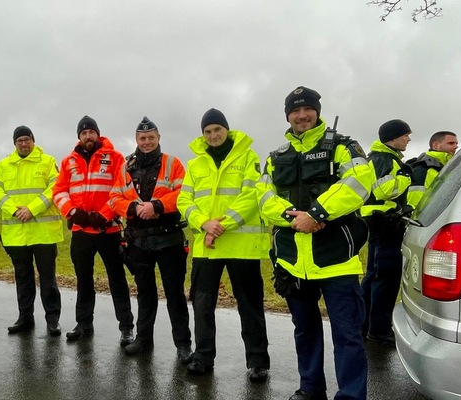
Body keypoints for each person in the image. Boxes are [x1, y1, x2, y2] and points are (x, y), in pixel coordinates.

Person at [256, 86, 374, 400]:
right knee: (305, 330)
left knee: (347, 335)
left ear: (317, 112)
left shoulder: (343, 147)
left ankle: (350, 395)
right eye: (295, 110)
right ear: (287, 116)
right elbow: (263, 197)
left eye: (307, 109)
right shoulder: (275, 157)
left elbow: (360, 182)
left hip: (336, 261)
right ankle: (310, 388)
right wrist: (293, 218)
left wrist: (317, 213)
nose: (301, 115)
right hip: (293, 262)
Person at [176, 109, 271, 380]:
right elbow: (184, 200)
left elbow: (251, 197)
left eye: (217, 129)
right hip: (207, 246)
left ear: (226, 130)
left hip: (241, 245)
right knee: (202, 304)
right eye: (207, 131)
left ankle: (258, 361)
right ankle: (203, 356)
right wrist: (204, 223)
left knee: (250, 305)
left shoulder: (248, 157)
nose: (213, 135)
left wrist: (221, 225)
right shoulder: (196, 164)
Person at [109, 117, 192, 361]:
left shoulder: (173, 163)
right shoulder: (126, 167)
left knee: (174, 294)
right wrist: (134, 208)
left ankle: (183, 345)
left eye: (151, 138)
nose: (147, 142)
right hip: (138, 241)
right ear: (136, 140)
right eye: (142, 138)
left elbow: (183, 194)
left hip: (168, 239)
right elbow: (114, 198)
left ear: (158, 138)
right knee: (145, 294)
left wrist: (156, 206)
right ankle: (144, 339)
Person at [53, 115, 135, 345]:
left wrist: (104, 215)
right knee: (83, 280)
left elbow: (123, 190)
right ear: (78, 136)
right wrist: (72, 212)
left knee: (117, 280)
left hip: (108, 231)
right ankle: (83, 323)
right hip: (81, 232)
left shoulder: (115, 158)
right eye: (83, 133)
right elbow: (59, 191)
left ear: (98, 134)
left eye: (91, 132)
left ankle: (126, 327)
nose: (88, 136)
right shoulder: (68, 161)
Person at [0, 126, 63, 336]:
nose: (23, 143)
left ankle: (52, 319)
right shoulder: (3, 165)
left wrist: (32, 209)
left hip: (43, 233)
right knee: (23, 279)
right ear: (14, 143)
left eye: (27, 139)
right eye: (19, 140)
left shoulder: (47, 162)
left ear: (33, 140)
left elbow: (54, 188)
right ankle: (25, 318)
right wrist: (14, 210)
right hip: (17, 235)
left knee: (48, 278)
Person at [359, 120, 413, 345]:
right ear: (393, 137)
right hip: (386, 224)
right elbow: (384, 190)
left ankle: (364, 326)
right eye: (405, 135)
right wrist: (406, 177)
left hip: (380, 224)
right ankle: (379, 331)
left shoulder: (380, 157)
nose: (409, 139)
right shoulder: (384, 159)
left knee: (374, 276)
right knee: (386, 280)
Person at [407, 131, 458, 208]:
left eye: (456, 144)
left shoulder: (445, 167)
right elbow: (415, 204)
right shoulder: (423, 169)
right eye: (451, 143)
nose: (456, 146)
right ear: (435, 145)